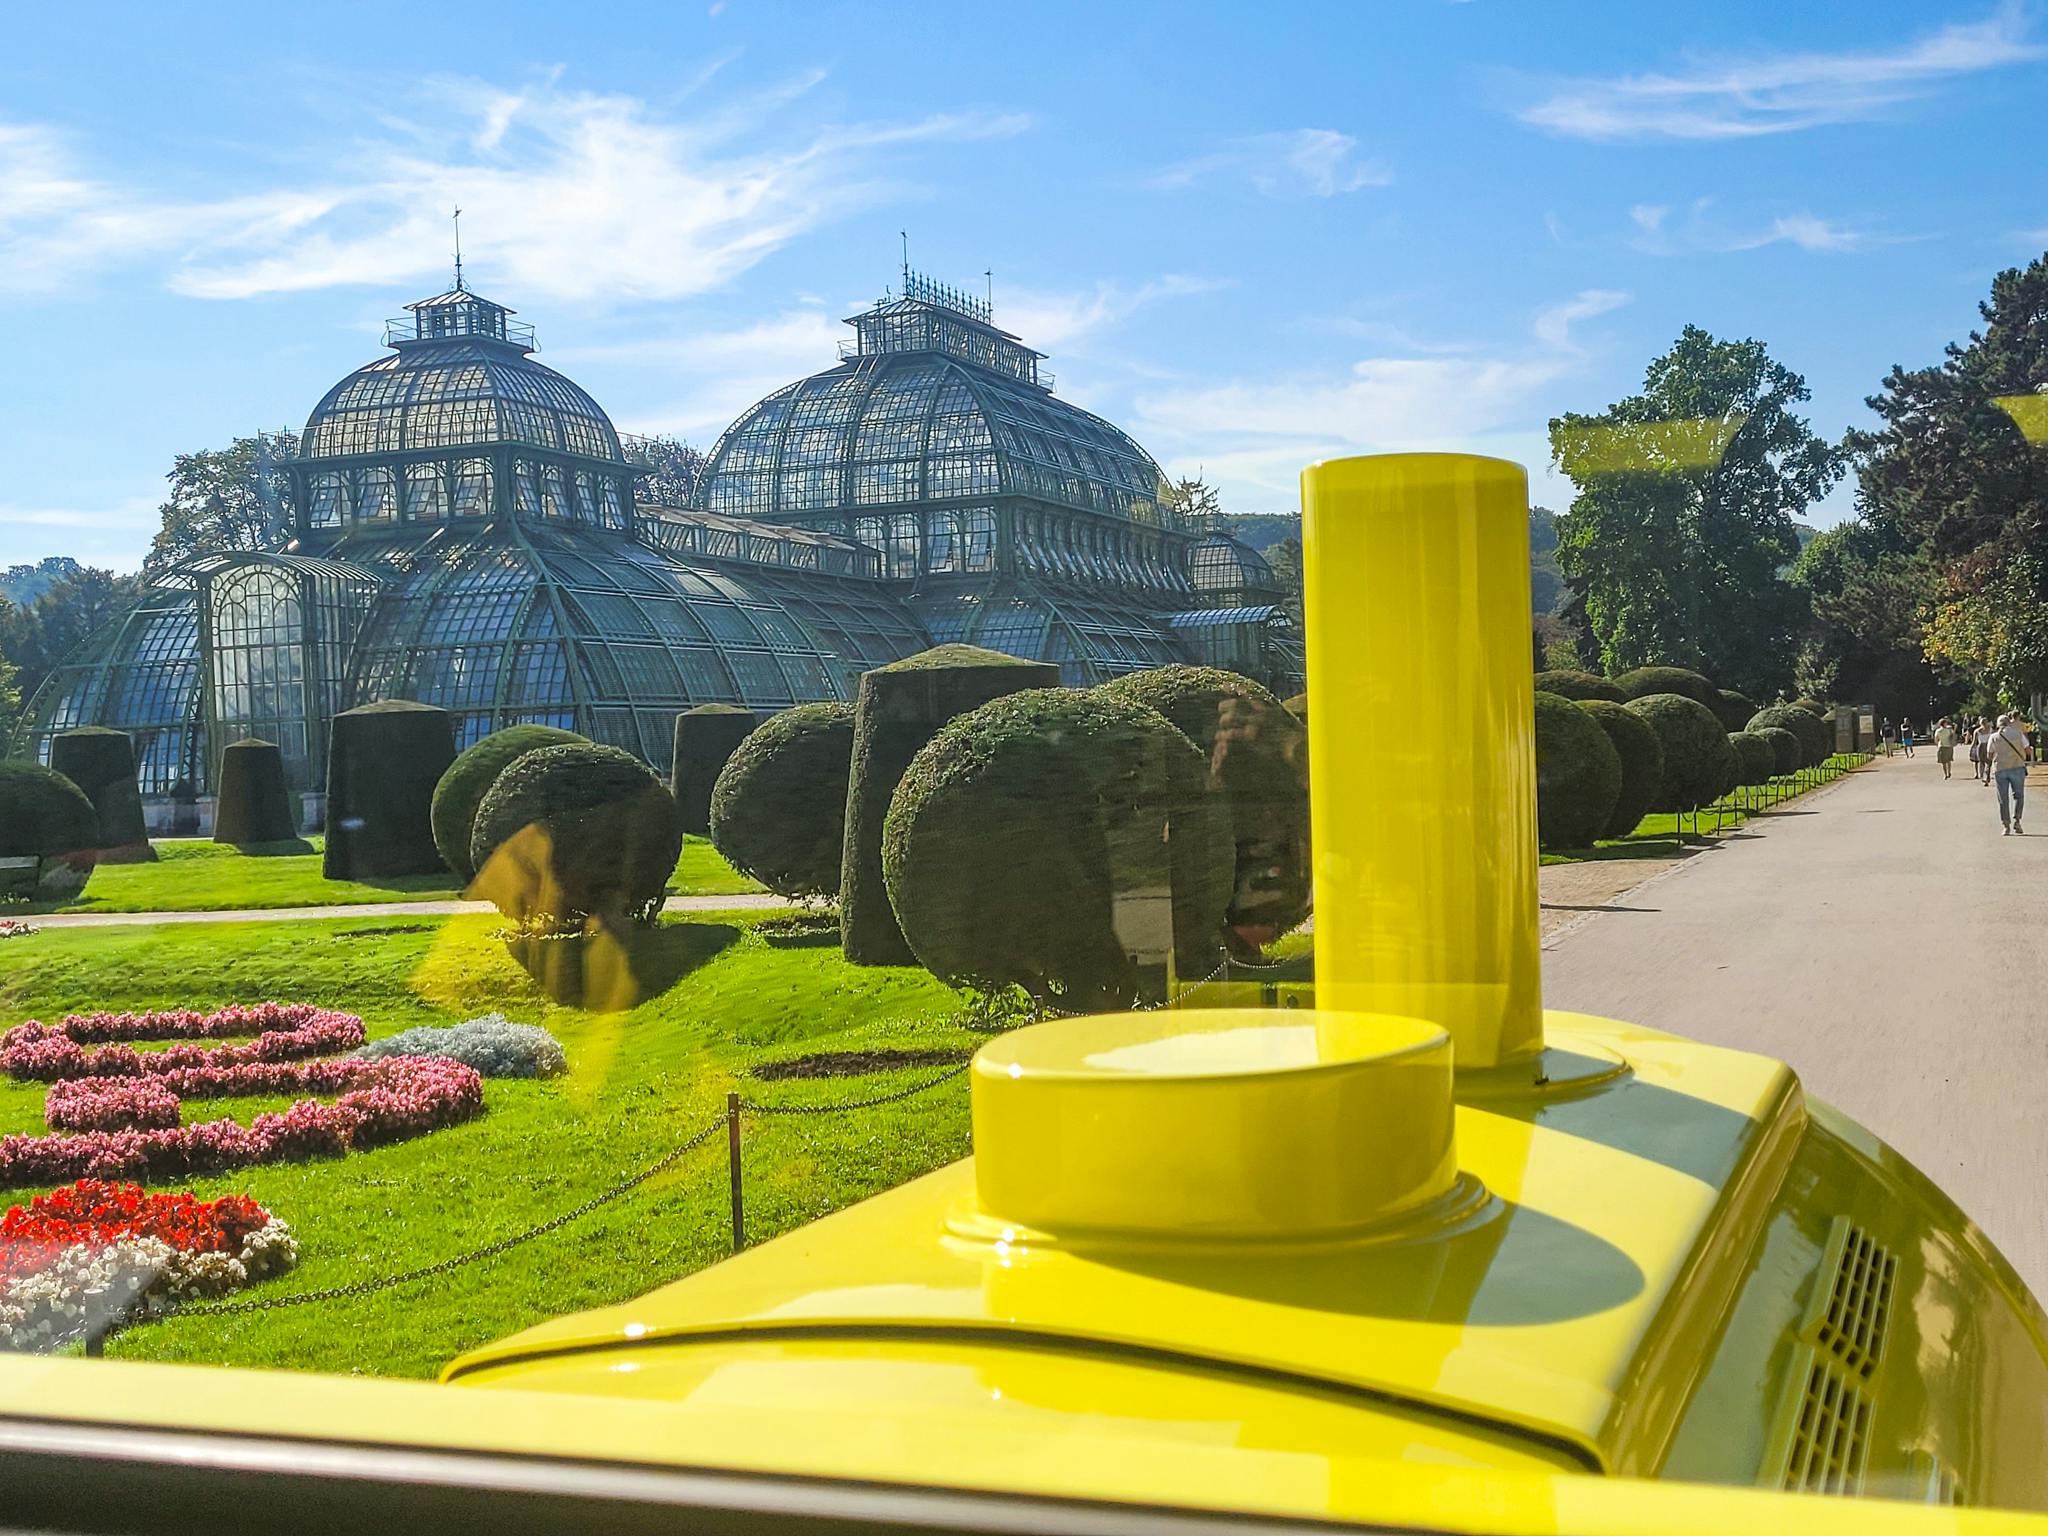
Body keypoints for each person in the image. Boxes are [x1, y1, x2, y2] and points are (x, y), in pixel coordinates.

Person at [1989, 711, 2031, 834]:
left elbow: (1989, 754)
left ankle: (2006, 825)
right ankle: (2017, 820)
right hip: (2017, 767)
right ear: (2009, 723)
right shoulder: (2018, 734)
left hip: (2000, 768)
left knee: (2003, 798)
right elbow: (2028, 750)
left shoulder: (1994, 737)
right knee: (2018, 795)